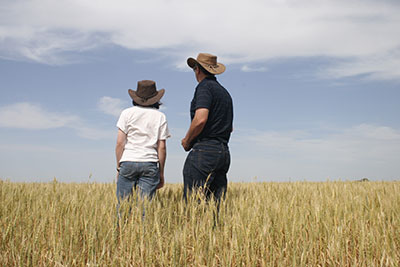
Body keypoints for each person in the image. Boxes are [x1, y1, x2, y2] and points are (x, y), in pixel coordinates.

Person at [181, 53, 233, 203]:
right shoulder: (224, 93)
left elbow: (200, 119)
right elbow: (230, 127)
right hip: (223, 153)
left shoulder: (204, 88)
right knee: (216, 208)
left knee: (193, 206)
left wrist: (187, 140)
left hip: (204, 151)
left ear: (197, 69)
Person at [115, 80, 170, 211]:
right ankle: (143, 231)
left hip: (128, 161)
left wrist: (119, 167)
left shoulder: (126, 113)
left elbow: (120, 143)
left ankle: (121, 231)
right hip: (149, 163)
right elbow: (161, 147)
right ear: (156, 99)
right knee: (145, 209)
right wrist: (161, 172)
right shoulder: (160, 116)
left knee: (122, 207)